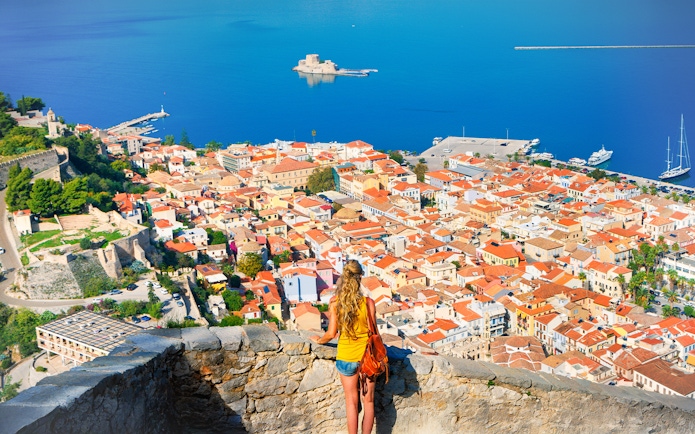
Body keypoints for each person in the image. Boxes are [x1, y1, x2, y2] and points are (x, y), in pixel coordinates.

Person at [311, 260, 378, 434]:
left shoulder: (335, 302)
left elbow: (331, 333)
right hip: (367, 357)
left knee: (351, 402)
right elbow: (374, 332)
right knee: (369, 402)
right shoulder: (368, 303)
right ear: (360, 277)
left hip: (346, 357)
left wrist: (319, 340)